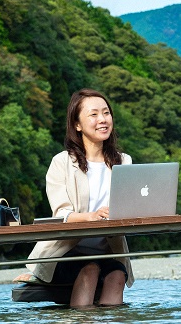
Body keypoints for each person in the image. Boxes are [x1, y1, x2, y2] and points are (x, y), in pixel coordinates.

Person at [24, 88, 134, 307]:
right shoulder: (61, 162)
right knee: (90, 270)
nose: (102, 120)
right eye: (93, 115)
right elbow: (61, 214)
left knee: (117, 276)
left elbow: (129, 206)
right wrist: (91, 216)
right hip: (65, 252)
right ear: (77, 125)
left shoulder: (123, 161)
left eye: (106, 113)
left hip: (107, 251)